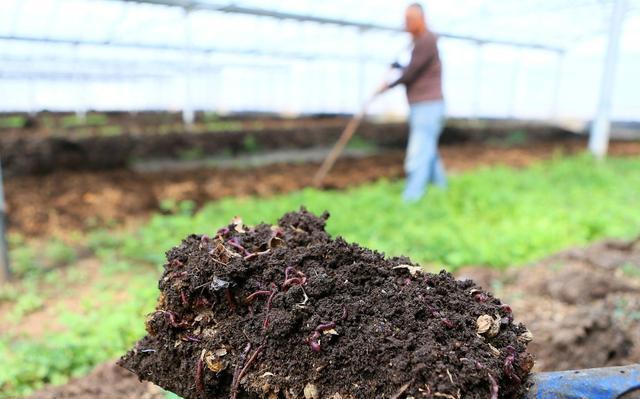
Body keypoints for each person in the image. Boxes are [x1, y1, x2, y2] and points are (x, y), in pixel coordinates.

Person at [379, 3, 446, 202]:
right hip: (425, 106)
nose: (406, 25)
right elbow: (413, 68)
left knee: (418, 152)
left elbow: (412, 72)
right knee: (428, 150)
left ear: (421, 19)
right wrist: (398, 66)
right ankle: (443, 191)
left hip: (428, 105)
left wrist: (389, 86)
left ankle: (411, 198)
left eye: (409, 20)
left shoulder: (427, 39)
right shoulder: (421, 42)